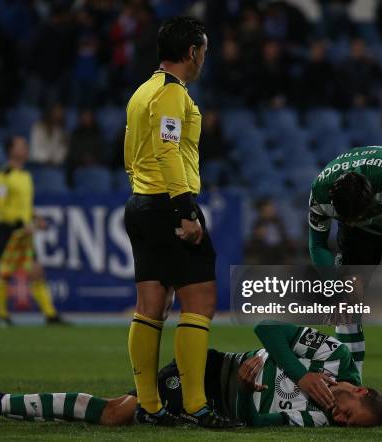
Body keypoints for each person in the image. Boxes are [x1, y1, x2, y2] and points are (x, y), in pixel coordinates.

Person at [0, 321, 382, 428]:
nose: (341, 420)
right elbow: (269, 327)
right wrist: (291, 369)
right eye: (351, 413)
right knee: (120, 411)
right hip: (211, 372)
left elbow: (260, 420)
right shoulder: (332, 357)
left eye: (348, 425)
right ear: (360, 390)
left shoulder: (317, 421)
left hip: (214, 406)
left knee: (119, 412)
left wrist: (267, 378)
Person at [123, 16, 234, 427]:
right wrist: (186, 212)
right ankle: (196, 406)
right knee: (201, 301)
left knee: (151, 305)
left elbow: (131, 154)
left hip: (141, 202)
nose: (205, 57)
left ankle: (149, 407)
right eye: (203, 50)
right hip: (170, 205)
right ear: (192, 52)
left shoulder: (142, 92)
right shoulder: (171, 94)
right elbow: (169, 152)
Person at [308, 146, 382, 424]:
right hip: (360, 237)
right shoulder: (320, 192)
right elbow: (317, 244)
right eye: (345, 218)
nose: (350, 220)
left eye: (357, 215)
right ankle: (351, 390)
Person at [0, 136, 63, 326]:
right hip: (9, 229)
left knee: (37, 270)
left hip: (25, 230)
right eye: (21, 146)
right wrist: (20, 224)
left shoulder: (26, 175)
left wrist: (35, 218)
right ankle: (1, 314)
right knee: (5, 272)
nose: (25, 148)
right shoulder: (3, 175)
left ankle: (50, 314)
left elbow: (25, 206)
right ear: (11, 150)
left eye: (25, 145)